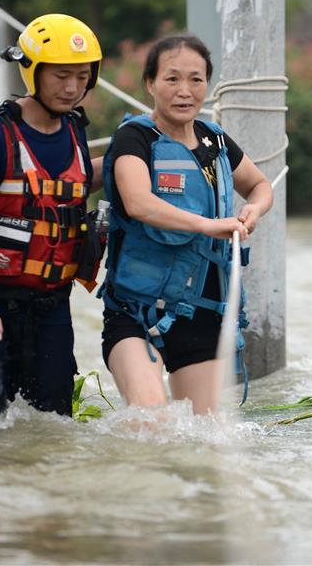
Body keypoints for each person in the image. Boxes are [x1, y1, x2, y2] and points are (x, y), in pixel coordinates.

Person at [0, 14, 105, 420]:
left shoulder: (75, 130)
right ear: (33, 71)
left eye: (82, 77)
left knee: (52, 422)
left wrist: (139, 151)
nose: (72, 87)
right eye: (61, 75)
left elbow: (68, 185)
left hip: (48, 304)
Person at [99, 34, 273, 415]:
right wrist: (205, 225)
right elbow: (138, 202)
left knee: (205, 443)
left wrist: (254, 210)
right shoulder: (135, 138)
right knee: (150, 420)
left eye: (196, 79)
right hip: (138, 313)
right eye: (172, 79)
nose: (185, 90)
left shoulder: (216, 140)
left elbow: (259, 186)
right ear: (150, 84)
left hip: (204, 314)